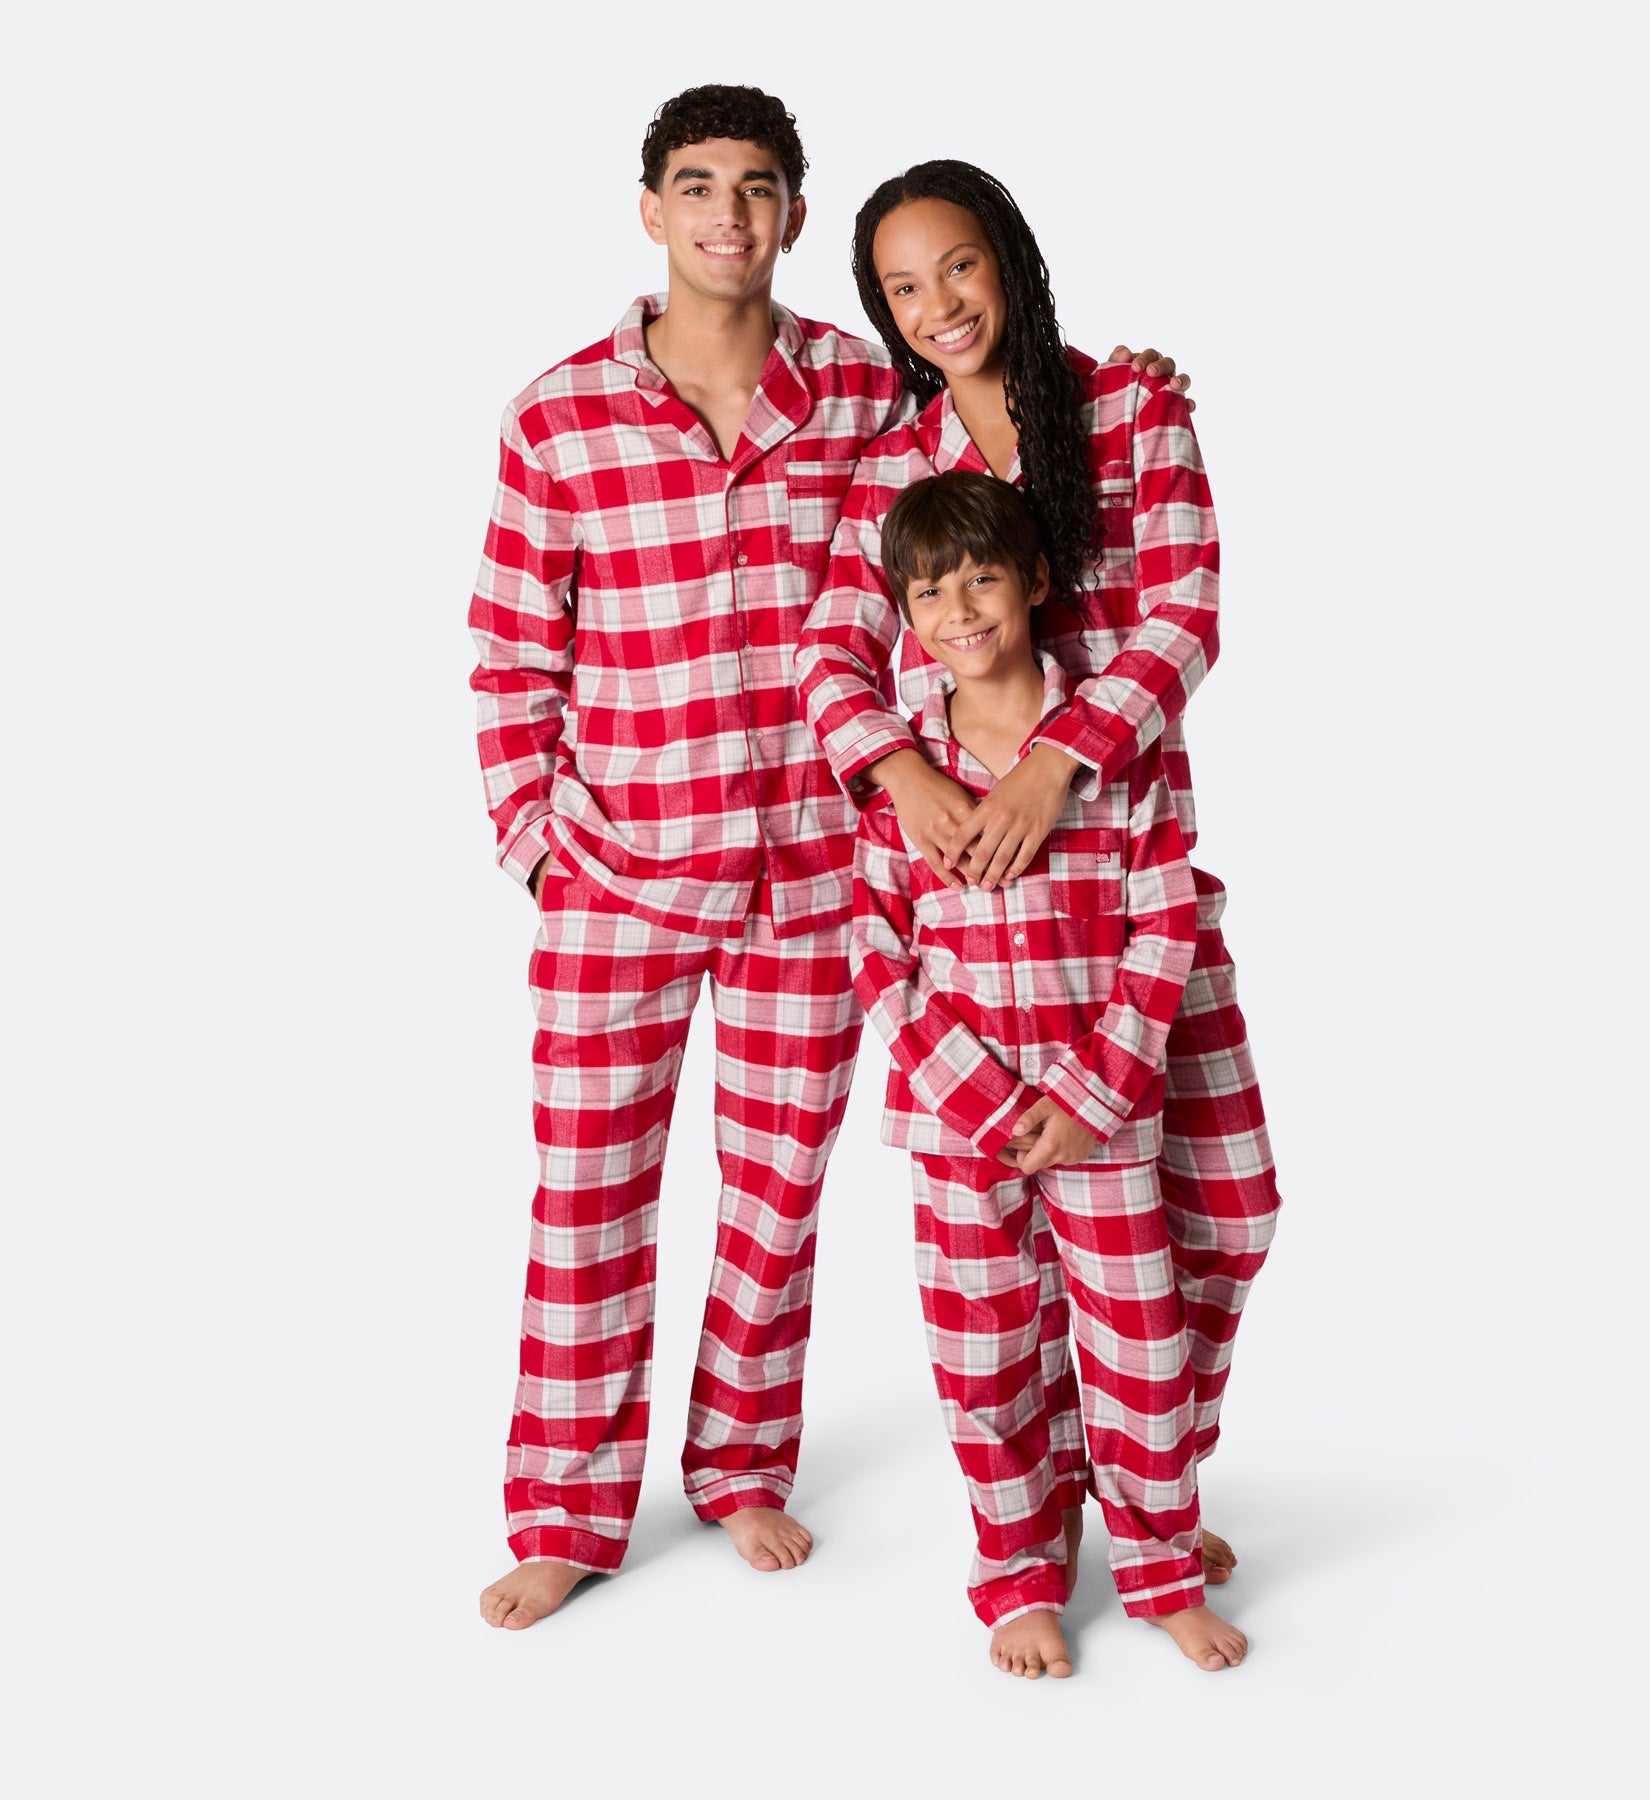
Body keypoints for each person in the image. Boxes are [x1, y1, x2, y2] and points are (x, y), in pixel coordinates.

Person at [469, 88, 1186, 1631]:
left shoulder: (867, 397)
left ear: (795, 215)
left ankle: (739, 1467)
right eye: (696, 185)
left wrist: (1124, 381)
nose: (727, 214)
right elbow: (512, 654)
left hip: (811, 878)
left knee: (775, 1193)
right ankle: (566, 1509)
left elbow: (986, 428)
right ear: (651, 210)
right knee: (585, 1197)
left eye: (758, 188)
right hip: (618, 878)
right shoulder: (556, 416)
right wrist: (539, 851)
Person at [798, 159, 1283, 1598]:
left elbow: (1188, 613)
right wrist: (907, 774)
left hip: (1127, 878)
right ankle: (1064, 1505)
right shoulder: (892, 464)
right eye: (901, 287)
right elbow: (830, 655)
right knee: (1008, 1250)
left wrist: (1057, 764)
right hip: (971, 901)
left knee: (1229, 1210)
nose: (938, 304)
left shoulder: (1130, 407)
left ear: (1008, 257)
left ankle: (1144, 1477)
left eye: (958, 265)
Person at [851, 470, 1247, 1677]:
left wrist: (1087, 1099)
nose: (959, 611)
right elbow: (880, 954)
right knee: (987, 1359)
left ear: (1033, 583)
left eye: (982, 580)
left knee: (1140, 1349)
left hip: (1101, 1123)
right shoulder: (903, 770)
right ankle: (1019, 1575)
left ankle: (1160, 1570)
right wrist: (979, 1102)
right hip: (957, 1133)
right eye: (929, 594)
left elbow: (1164, 924)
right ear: (903, 614)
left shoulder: (1114, 751)